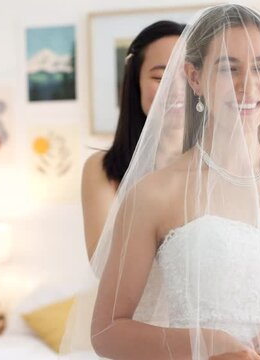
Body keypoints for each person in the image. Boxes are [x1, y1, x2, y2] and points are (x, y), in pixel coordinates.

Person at [64, 4, 260, 360]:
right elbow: (107, 331)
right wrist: (204, 345)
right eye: (228, 69)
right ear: (195, 78)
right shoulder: (153, 194)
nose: (248, 85)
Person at [82, 20, 186, 260]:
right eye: (160, 77)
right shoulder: (100, 170)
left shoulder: (219, 164)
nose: (177, 89)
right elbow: (103, 263)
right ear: (135, 83)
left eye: (189, 75)